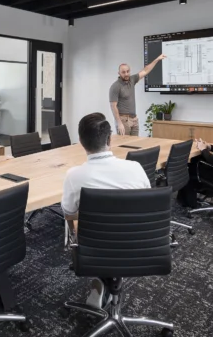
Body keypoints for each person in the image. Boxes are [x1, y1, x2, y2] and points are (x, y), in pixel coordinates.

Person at [61, 112, 150, 309]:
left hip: (96, 246)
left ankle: (104, 280)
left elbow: (68, 212)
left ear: (81, 143)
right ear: (110, 139)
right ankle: (109, 281)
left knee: (75, 222)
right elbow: (147, 204)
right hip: (138, 243)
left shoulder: (74, 176)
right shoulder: (135, 167)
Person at [109, 54, 166, 136]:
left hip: (134, 119)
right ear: (119, 73)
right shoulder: (115, 86)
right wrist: (119, 123)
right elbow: (113, 106)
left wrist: (157, 59)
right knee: (124, 145)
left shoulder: (132, 80)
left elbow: (145, 71)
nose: (126, 74)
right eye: (123, 72)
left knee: (135, 144)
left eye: (128, 71)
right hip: (123, 120)